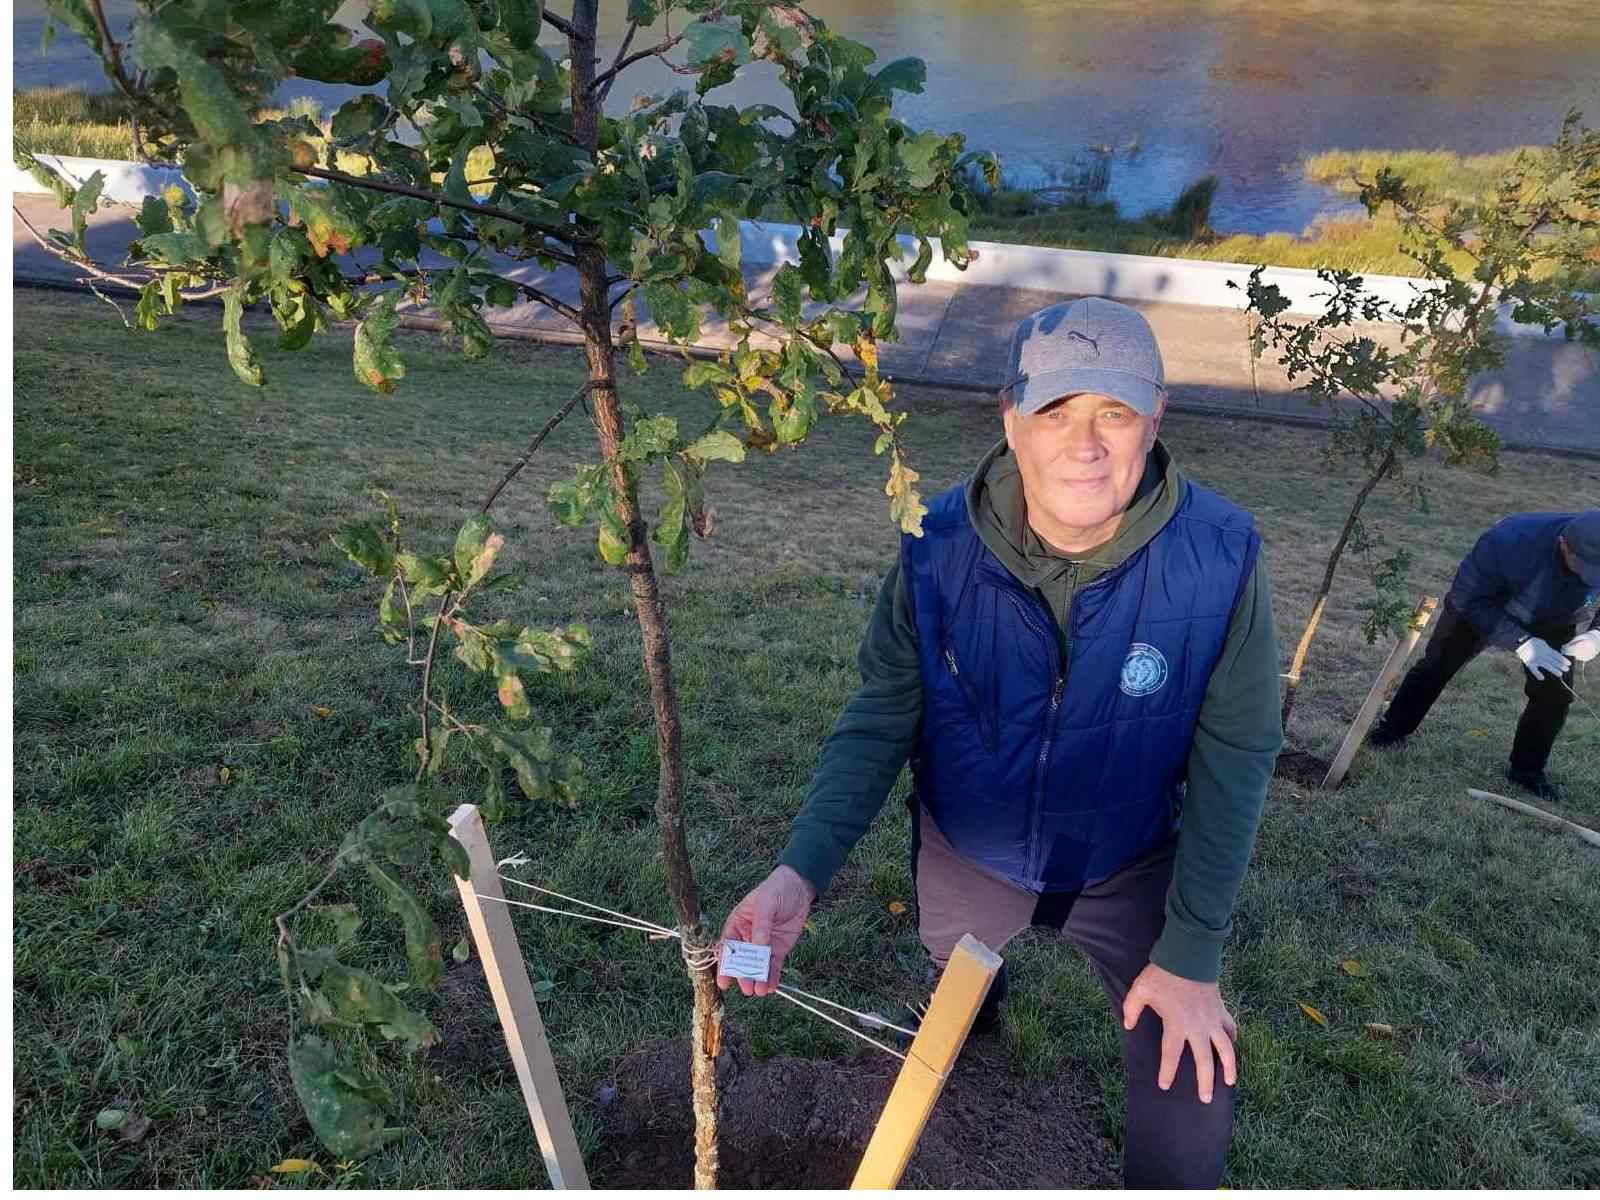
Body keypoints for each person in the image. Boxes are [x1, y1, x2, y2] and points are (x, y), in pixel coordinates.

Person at [718, 297, 1283, 1188]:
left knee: (1189, 1118)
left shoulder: (1222, 556)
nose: (1085, 443)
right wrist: (801, 869)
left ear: (1156, 417)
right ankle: (977, 1004)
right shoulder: (933, 544)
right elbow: (880, 717)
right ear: (1011, 418)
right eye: (1056, 410)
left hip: (1128, 859)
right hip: (968, 851)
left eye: (1115, 411)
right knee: (957, 974)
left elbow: (1237, 757)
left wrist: (1191, 955)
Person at [1368, 510, 1600, 801]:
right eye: (1585, 567)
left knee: (1555, 694)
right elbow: (1468, 598)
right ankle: (1391, 731)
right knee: (1437, 667)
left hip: (1555, 617)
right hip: (1486, 607)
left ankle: (1527, 771)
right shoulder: (1508, 542)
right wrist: (1522, 642)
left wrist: (1596, 634)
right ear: (1564, 544)